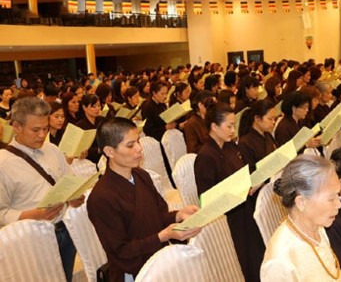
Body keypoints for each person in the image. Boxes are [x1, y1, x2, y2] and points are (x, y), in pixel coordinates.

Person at [87, 117, 200, 281]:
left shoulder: (141, 175)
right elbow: (121, 250)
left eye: (138, 141)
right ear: (109, 151)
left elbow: (158, 216)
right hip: (134, 272)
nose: (140, 148)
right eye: (130, 145)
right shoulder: (101, 197)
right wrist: (163, 236)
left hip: (160, 259)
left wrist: (178, 215)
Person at [0, 97, 84, 281]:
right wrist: (33, 215)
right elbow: (1, 213)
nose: (41, 135)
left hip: (65, 229)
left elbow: (69, 180)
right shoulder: (3, 163)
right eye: (35, 130)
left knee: (65, 277)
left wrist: (75, 196)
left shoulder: (52, 150)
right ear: (16, 126)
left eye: (45, 128)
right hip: (30, 239)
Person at [261, 155, 341, 282]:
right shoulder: (281, 261)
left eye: (337, 195)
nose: (339, 204)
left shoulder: (317, 228)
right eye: (331, 199)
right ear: (301, 202)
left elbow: (330, 276)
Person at [194, 102, 264, 282]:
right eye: (229, 126)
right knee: (246, 260)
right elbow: (206, 198)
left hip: (244, 206)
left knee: (257, 252)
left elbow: (243, 172)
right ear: (214, 127)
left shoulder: (231, 145)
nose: (233, 130)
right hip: (227, 217)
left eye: (234, 125)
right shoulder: (206, 156)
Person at [238, 100, 277, 173]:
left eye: (274, 118)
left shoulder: (267, 134)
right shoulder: (245, 143)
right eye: (270, 119)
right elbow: (252, 172)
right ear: (257, 119)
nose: (273, 122)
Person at [76, 94, 104, 164]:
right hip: (88, 161)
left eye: (99, 106)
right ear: (84, 107)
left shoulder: (102, 120)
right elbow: (80, 149)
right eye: (94, 106)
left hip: (104, 157)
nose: (97, 108)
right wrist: (99, 150)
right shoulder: (80, 125)